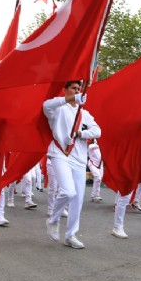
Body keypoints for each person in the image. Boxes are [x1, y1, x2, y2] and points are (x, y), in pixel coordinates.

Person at [43, 80, 101, 249]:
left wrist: (79, 133)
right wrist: (68, 99)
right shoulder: (58, 108)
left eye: (79, 89)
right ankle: (53, 220)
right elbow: (46, 105)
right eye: (73, 89)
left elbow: (98, 130)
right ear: (65, 90)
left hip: (79, 158)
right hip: (60, 153)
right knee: (68, 192)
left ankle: (71, 235)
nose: (77, 91)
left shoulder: (84, 113)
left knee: (77, 199)